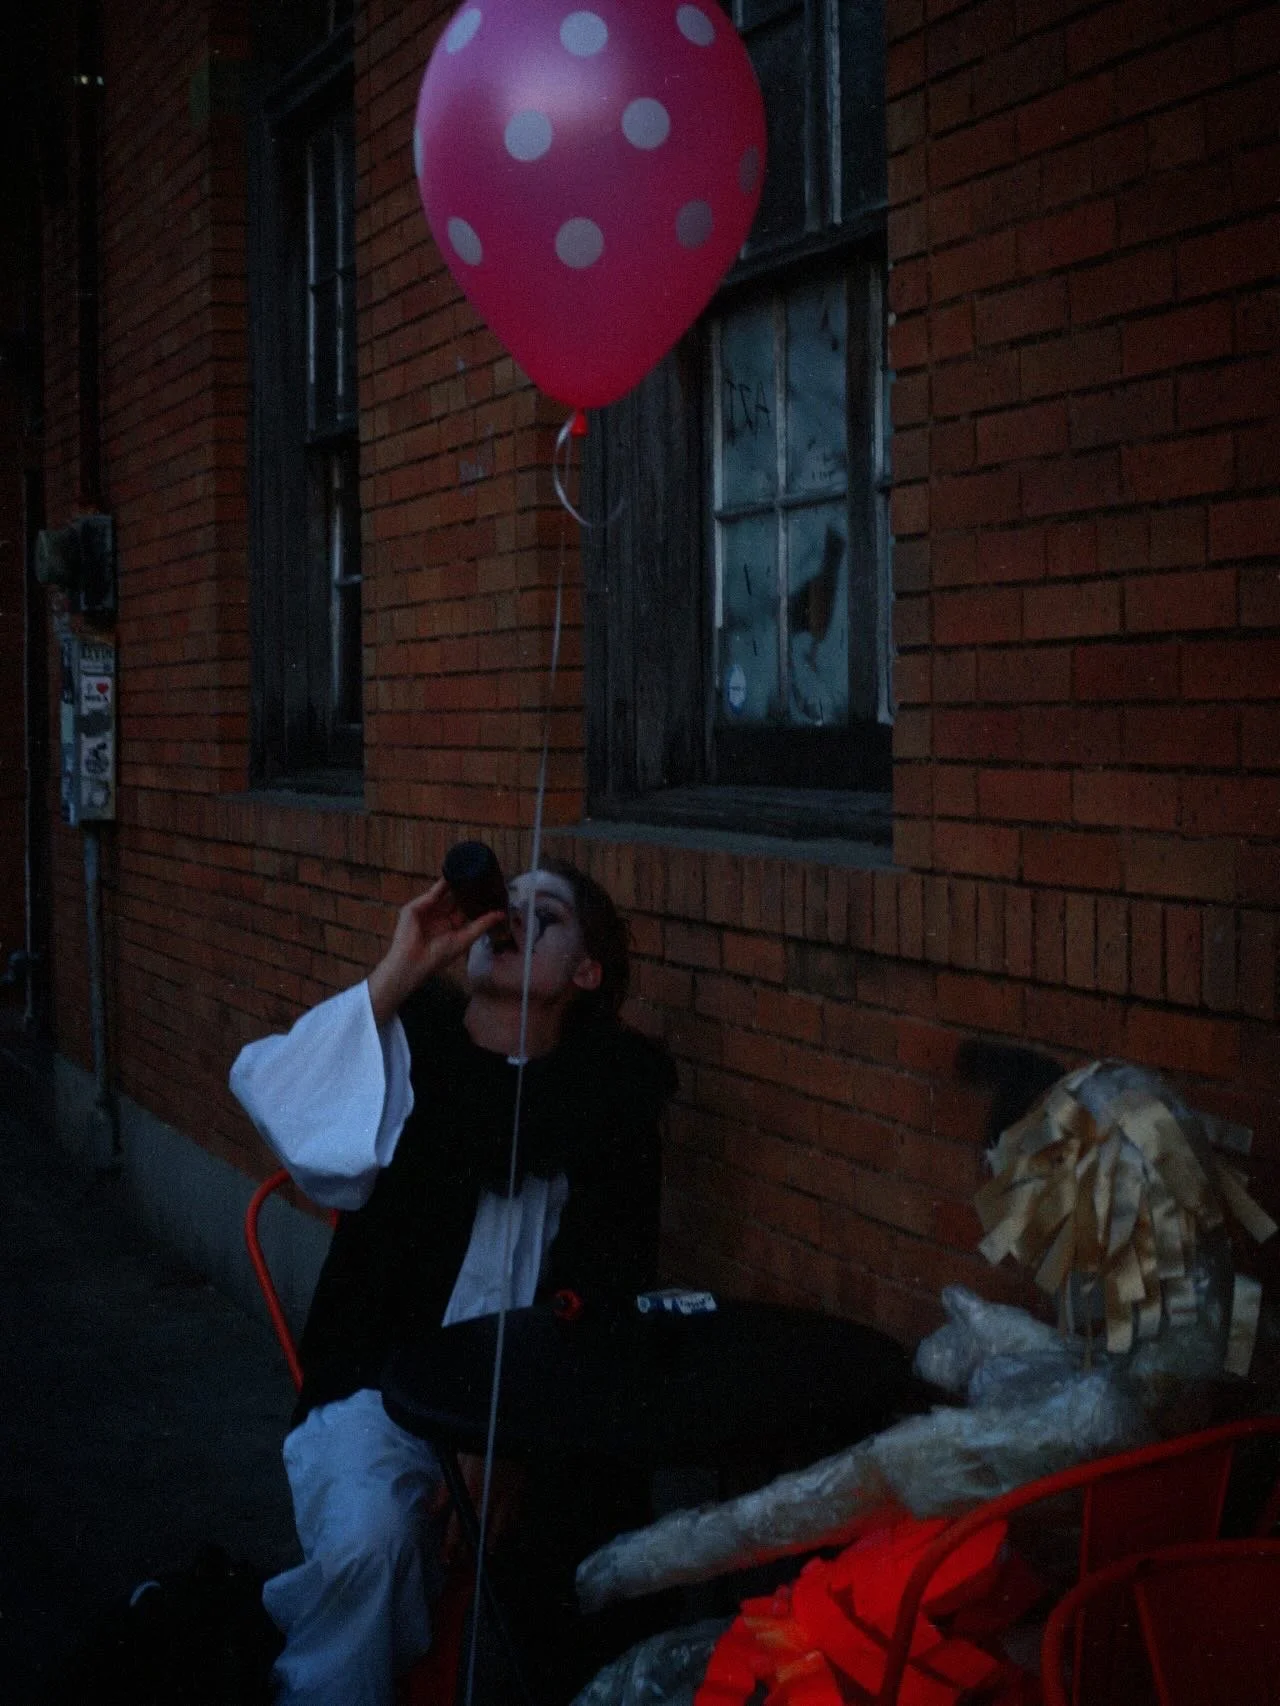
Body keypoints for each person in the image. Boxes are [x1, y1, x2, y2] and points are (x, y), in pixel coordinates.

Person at [230, 856, 678, 1706]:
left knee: (578, 1573)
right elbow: (275, 1097)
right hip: (384, 1389)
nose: (508, 923)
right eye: (500, 909)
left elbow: (610, 1282)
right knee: (371, 1543)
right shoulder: (406, 1053)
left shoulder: (609, 1094)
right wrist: (404, 965)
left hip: (545, 1410)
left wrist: (505, 1447)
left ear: (586, 973)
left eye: (542, 915)